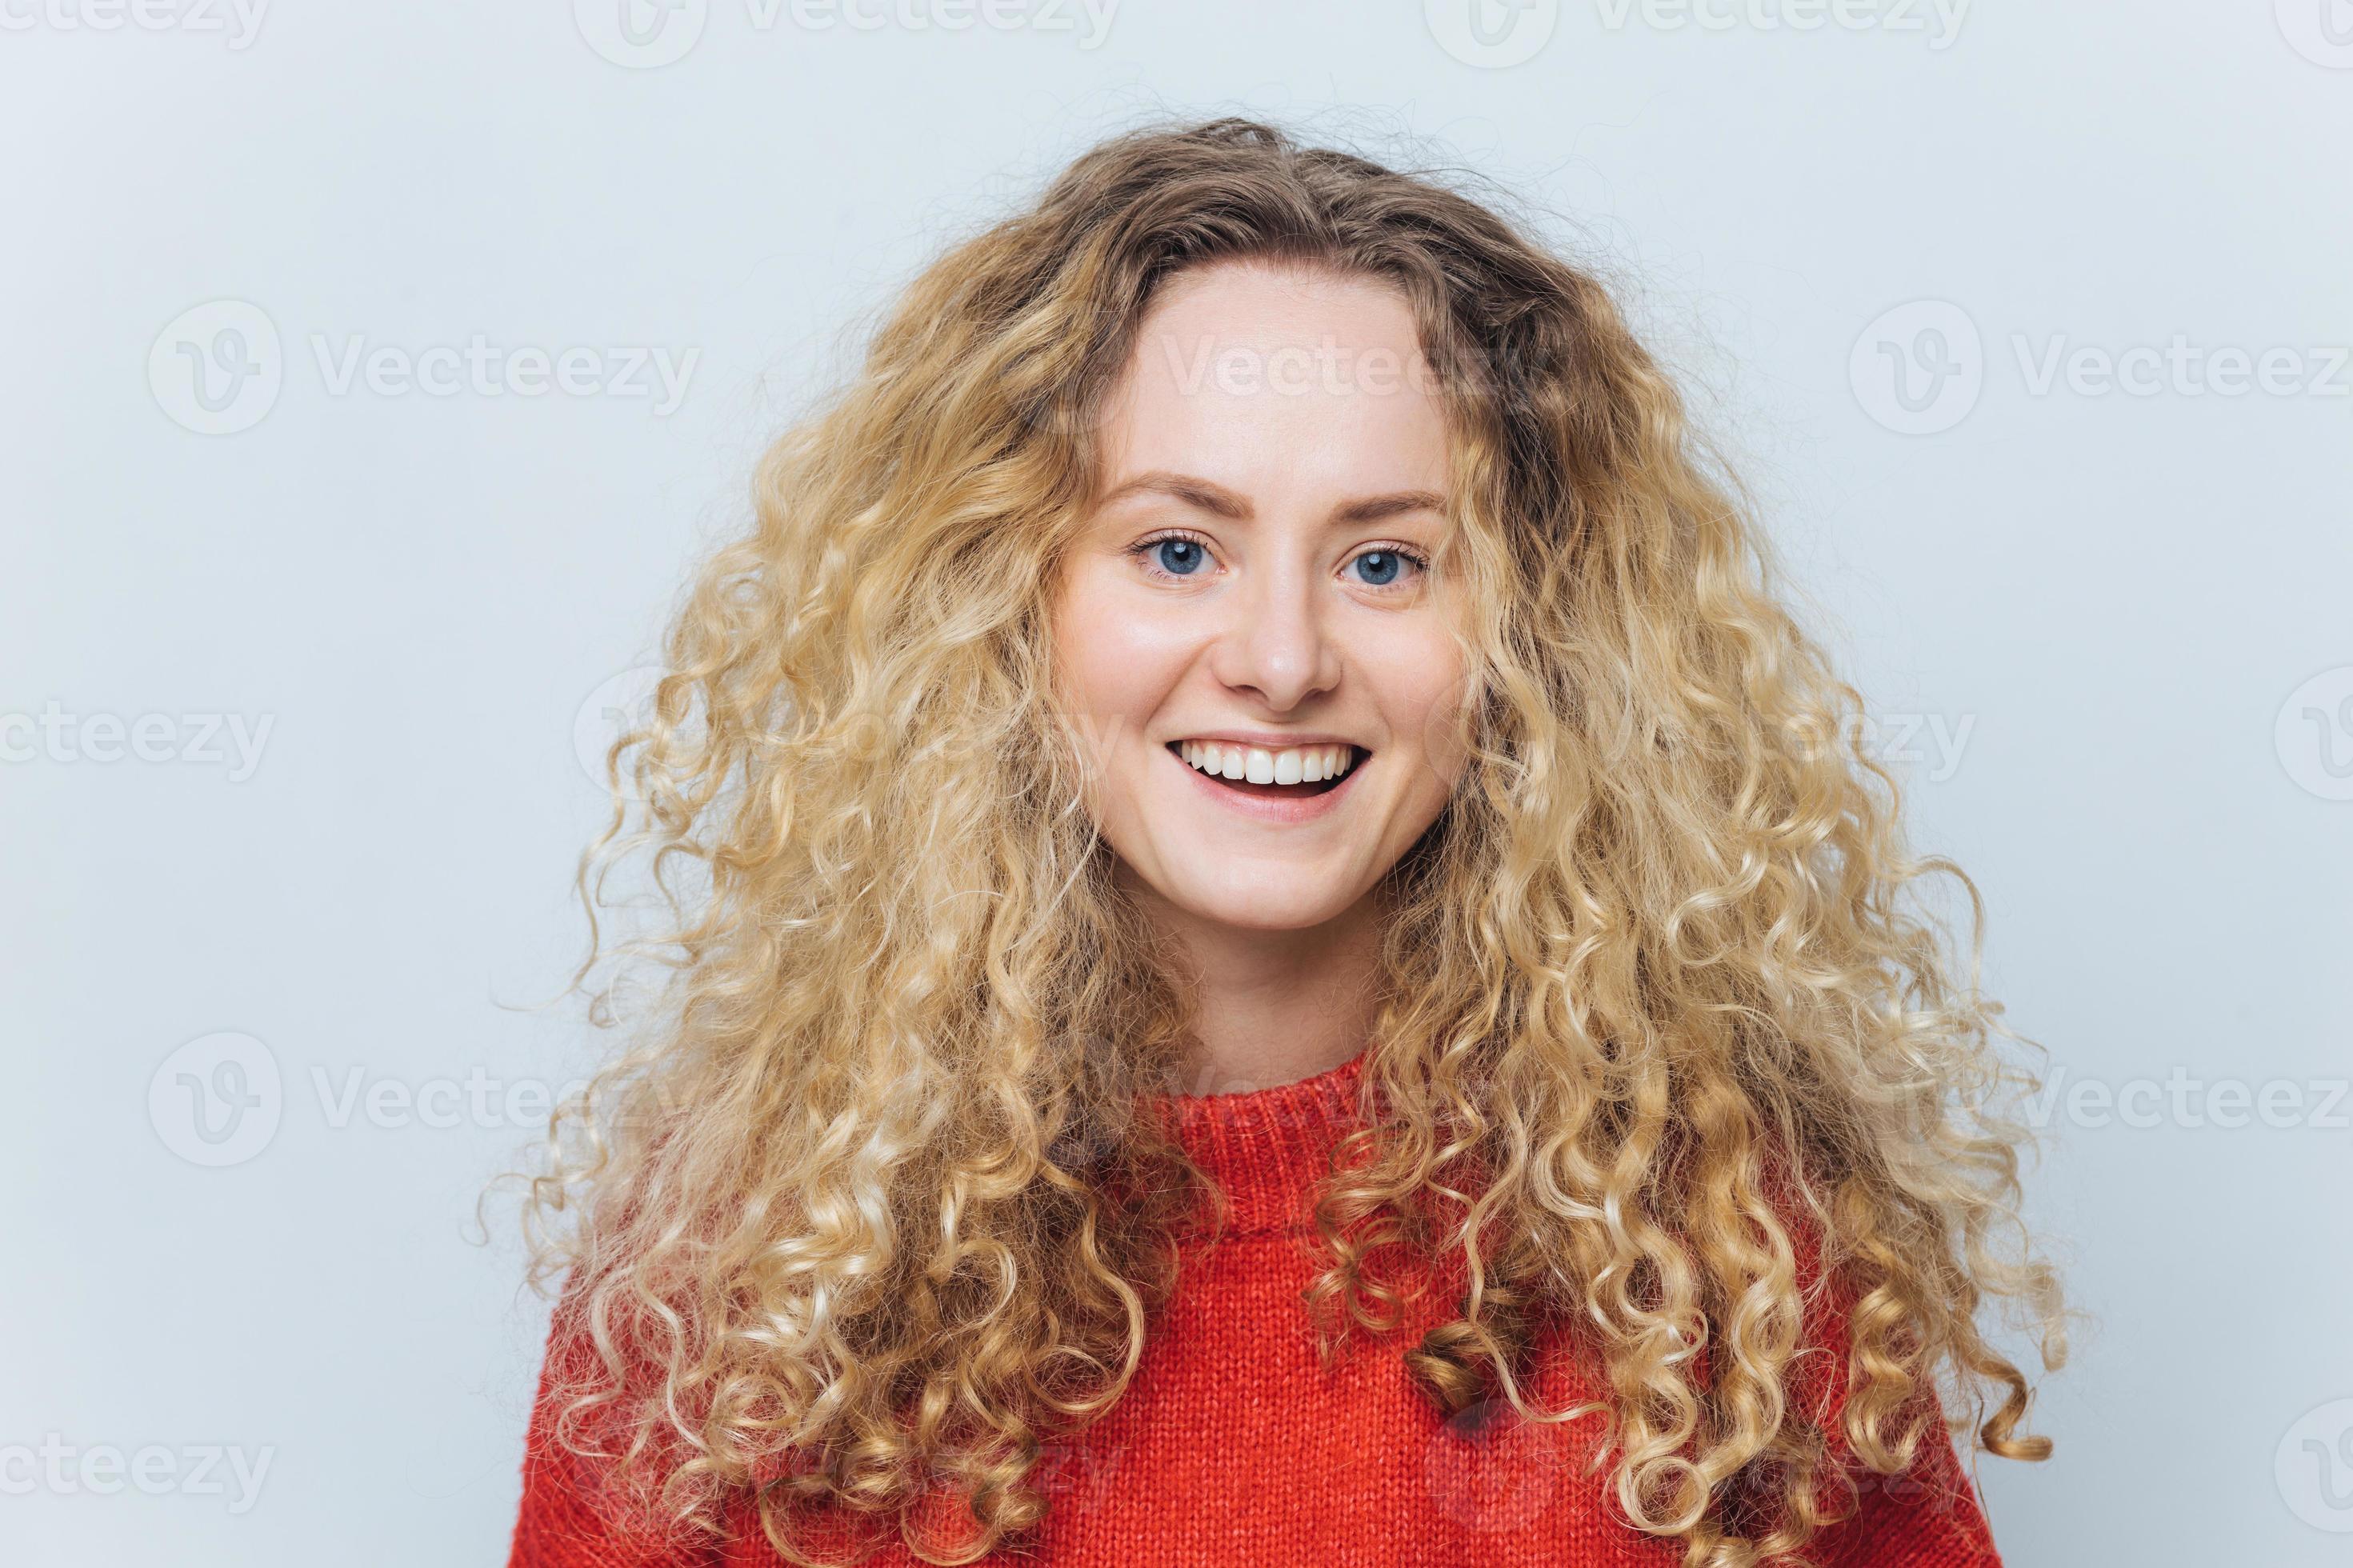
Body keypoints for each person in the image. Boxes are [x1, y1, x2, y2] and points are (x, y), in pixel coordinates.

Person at [506, 116, 2066, 1566]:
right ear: (1000, 601)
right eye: (1177, 547)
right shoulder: (744, 1276)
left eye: (1386, 561)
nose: (1279, 655)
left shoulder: (1726, 1255)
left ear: (1532, 632)